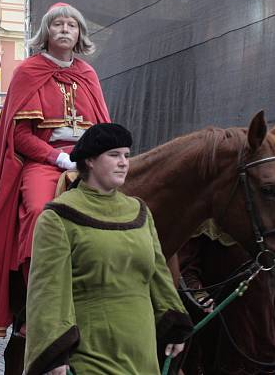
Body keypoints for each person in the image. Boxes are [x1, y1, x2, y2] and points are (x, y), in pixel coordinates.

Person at [0, 3, 111, 368]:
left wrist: (93, 156)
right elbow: (19, 135)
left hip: (88, 158)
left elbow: (102, 126)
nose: (65, 30)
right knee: (38, 209)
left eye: (72, 24)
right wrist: (58, 160)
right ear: (47, 33)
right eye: (58, 25)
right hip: (46, 160)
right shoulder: (29, 71)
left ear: (80, 34)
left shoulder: (88, 75)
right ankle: (34, 301)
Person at [24, 123, 193, 374]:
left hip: (142, 353)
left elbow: (159, 276)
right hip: (91, 352)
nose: (124, 162)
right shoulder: (58, 216)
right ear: (90, 161)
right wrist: (54, 355)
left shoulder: (139, 211)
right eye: (114, 155)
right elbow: (48, 291)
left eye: (126, 155)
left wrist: (175, 327)